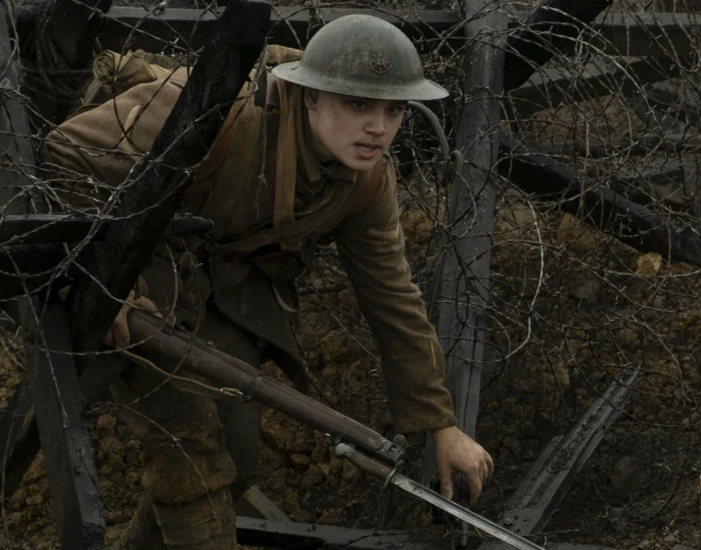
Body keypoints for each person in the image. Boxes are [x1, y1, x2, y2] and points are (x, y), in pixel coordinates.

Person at [42, 15, 491, 550]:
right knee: (191, 446)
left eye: (394, 109)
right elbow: (63, 155)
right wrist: (96, 274)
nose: (379, 126)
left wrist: (440, 423)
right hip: (126, 264)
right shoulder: (210, 108)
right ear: (311, 96)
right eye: (358, 104)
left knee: (235, 457)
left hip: (212, 286)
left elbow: (392, 297)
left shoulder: (366, 181)